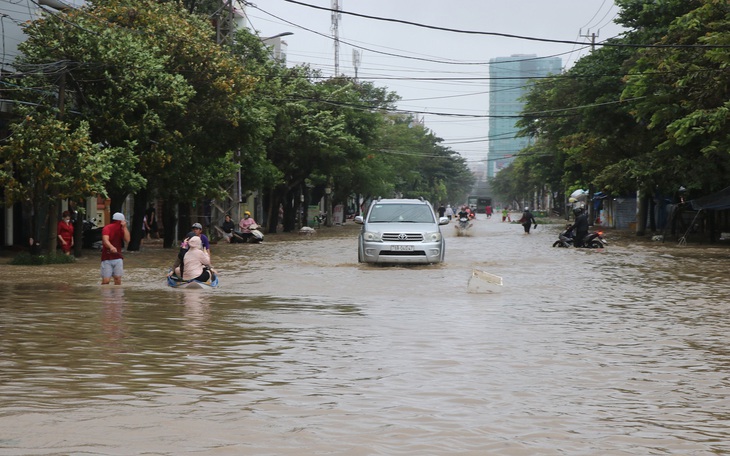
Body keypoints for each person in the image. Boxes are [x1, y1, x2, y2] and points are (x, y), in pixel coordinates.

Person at [101, 212, 131, 285]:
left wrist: (124, 227)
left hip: (118, 257)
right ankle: (106, 295)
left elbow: (128, 240)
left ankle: (117, 296)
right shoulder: (107, 228)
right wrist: (111, 247)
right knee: (106, 281)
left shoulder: (122, 229)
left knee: (118, 279)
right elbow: (105, 240)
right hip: (107, 258)